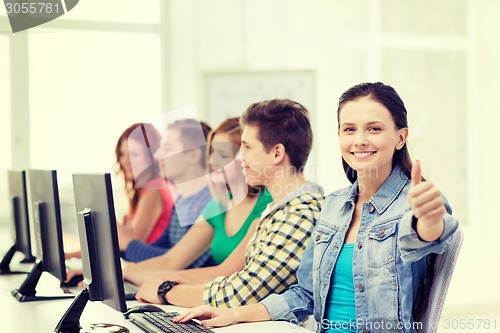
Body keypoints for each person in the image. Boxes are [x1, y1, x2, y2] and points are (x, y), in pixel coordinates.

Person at [173, 82, 460, 332]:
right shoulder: (333, 206)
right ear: (339, 137)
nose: (359, 140)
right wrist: (233, 314)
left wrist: (429, 222)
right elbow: (304, 295)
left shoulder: (416, 203)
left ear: (400, 137)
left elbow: (429, 232)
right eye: (349, 129)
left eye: (374, 128)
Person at [130, 99, 325, 308]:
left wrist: (165, 291)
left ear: (277, 153)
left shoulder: (300, 213)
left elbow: (242, 292)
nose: (240, 158)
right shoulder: (276, 210)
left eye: (247, 148)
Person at [123, 117, 273, 277]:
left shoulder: (266, 205)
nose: (211, 161)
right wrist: (125, 273)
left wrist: (150, 279)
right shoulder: (218, 204)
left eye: (221, 154)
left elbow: (224, 272)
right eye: (211, 152)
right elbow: (171, 260)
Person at [65, 122, 176, 260]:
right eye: (123, 154)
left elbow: (128, 244)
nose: (125, 161)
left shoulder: (154, 190)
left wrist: (101, 205)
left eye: (134, 154)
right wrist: (71, 255)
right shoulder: (149, 189)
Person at [118, 119, 214, 268]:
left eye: (167, 148)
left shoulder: (209, 203)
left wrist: (127, 244)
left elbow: (183, 263)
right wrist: (122, 246)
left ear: (193, 155)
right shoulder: (183, 200)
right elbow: (164, 250)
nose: (157, 155)